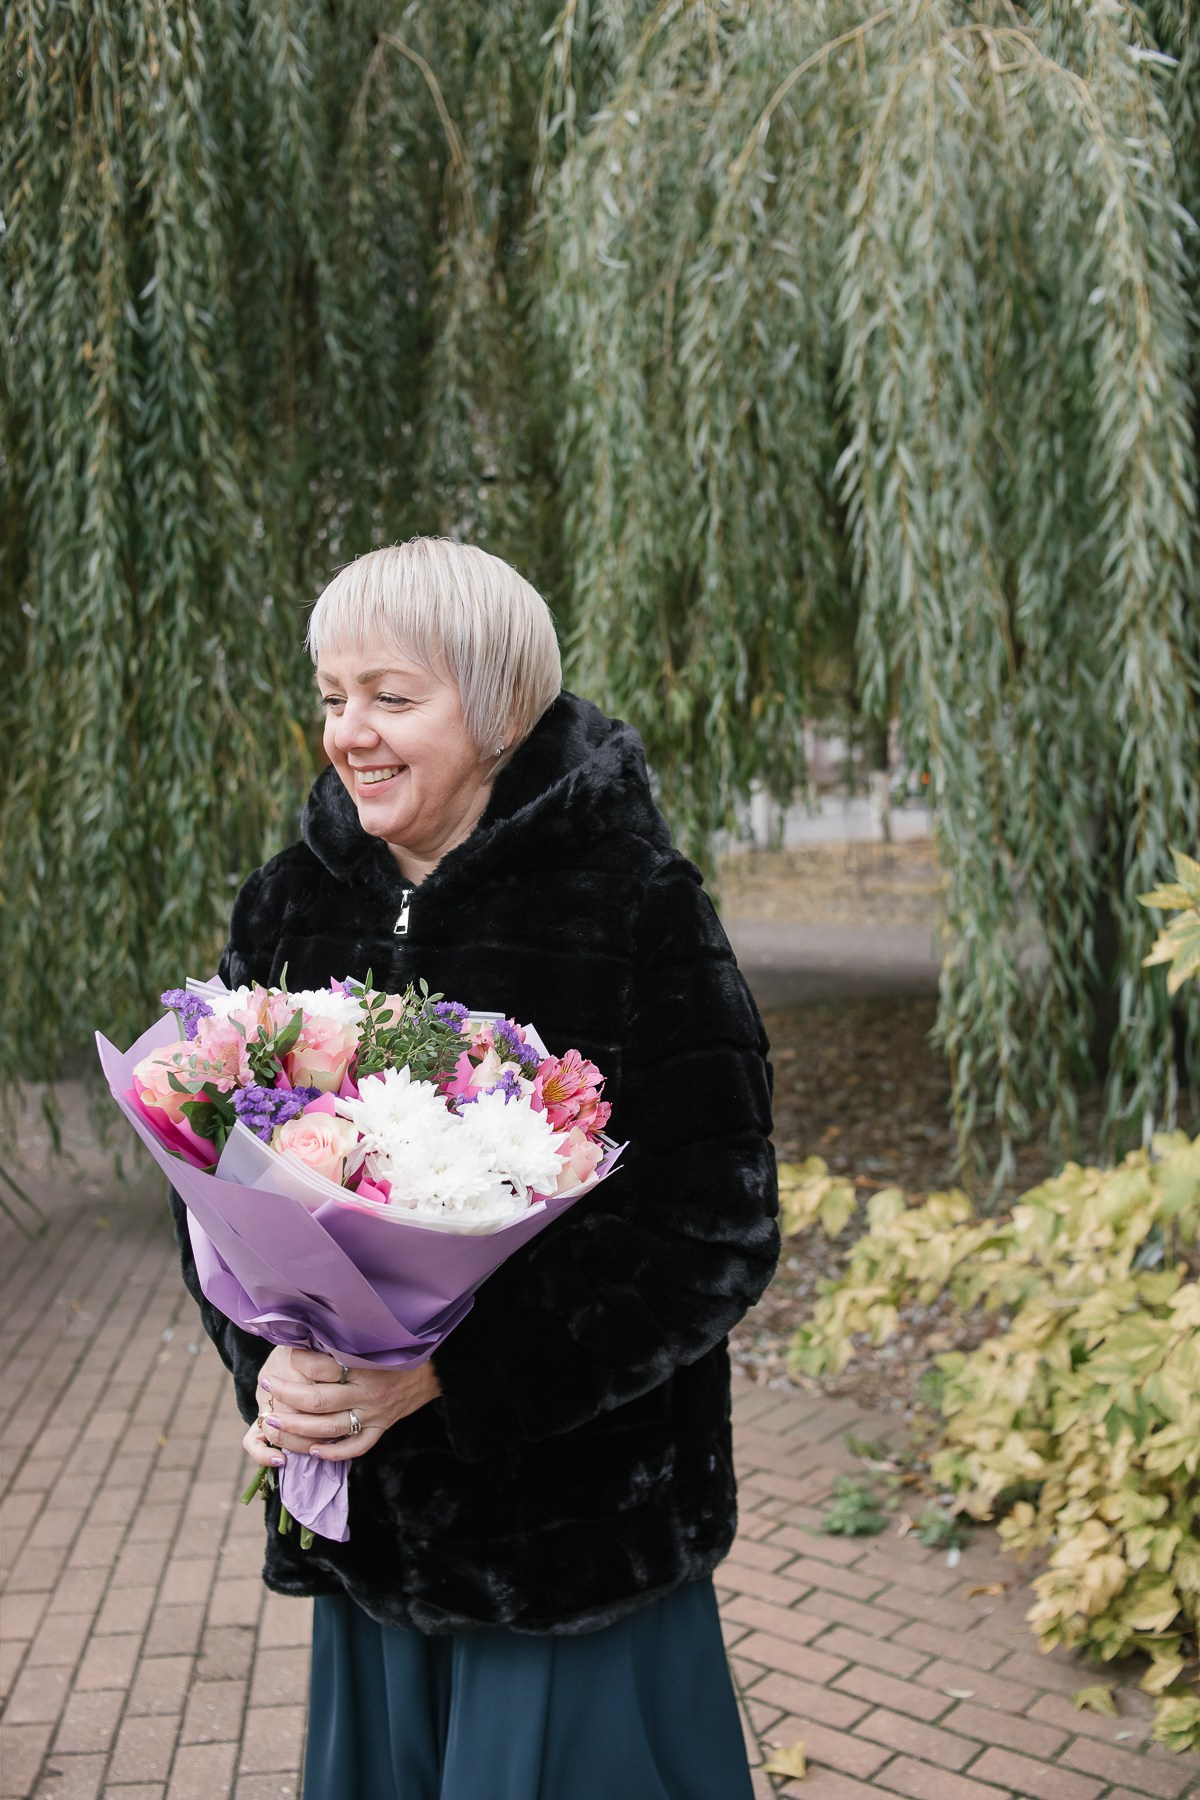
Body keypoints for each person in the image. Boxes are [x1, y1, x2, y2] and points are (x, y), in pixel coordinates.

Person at [170, 538, 778, 1800]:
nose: (351, 733)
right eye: (335, 697)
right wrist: (278, 1368)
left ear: (499, 708)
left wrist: (450, 1376)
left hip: (569, 1542)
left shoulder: (634, 904)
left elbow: (709, 1232)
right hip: (376, 1536)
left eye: (393, 697)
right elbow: (218, 1185)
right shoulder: (286, 906)